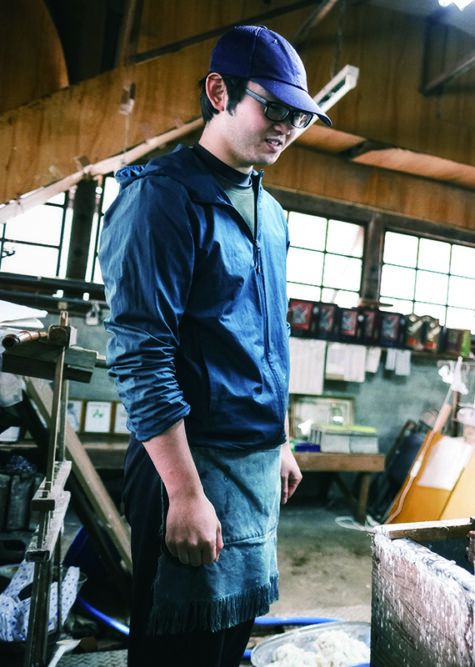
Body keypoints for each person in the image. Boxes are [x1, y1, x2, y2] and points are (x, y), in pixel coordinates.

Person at [99, 25, 331, 666]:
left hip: (251, 466)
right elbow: (141, 351)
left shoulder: (272, 213)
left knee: (226, 643)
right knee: (180, 649)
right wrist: (184, 493)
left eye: (299, 117)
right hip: (187, 465)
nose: (286, 126)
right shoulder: (162, 198)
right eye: (273, 108)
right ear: (219, 90)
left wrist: (279, 438)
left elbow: (267, 336)